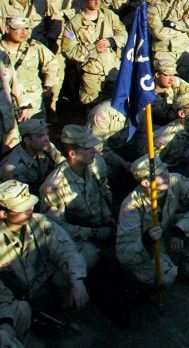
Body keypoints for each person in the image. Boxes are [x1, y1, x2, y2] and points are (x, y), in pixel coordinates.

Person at [116, 155, 189, 288]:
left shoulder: (175, 180)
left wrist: (181, 229)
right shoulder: (130, 207)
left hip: (171, 228)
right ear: (145, 183)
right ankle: (146, 284)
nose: (166, 175)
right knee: (167, 275)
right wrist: (146, 241)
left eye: (165, 170)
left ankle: (186, 263)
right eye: (159, 175)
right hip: (151, 245)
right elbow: (123, 254)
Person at [0, 180, 88, 315]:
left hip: (44, 285)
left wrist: (77, 280)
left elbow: (65, 249)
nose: (30, 210)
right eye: (22, 208)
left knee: (82, 263)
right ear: (3, 214)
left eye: (30, 205)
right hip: (13, 300)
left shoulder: (39, 222)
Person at [38, 126, 114, 271]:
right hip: (77, 235)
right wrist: (93, 233)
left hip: (100, 225)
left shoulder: (92, 166)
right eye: (88, 148)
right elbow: (56, 227)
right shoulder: (54, 186)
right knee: (90, 256)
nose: (95, 151)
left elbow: (101, 195)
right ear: (72, 154)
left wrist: (108, 217)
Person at [0, 118, 61, 195]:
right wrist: (57, 189)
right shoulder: (14, 167)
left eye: (47, 134)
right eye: (40, 136)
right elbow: (23, 196)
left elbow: (63, 164)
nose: (47, 139)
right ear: (27, 141)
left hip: (43, 187)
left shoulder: (46, 146)